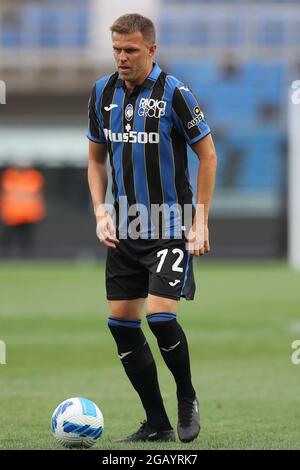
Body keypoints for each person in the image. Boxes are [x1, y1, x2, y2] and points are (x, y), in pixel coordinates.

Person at [87, 13, 217, 443]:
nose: (122, 58)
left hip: (168, 225)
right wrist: (100, 211)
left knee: (161, 317)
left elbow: (208, 155)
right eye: (117, 50)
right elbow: (95, 159)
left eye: (131, 50)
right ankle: (156, 422)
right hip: (124, 228)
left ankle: (187, 396)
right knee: (121, 325)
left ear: (152, 50)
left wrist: (199, 220)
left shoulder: (176, 93)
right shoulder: (102, 93)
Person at [0, 165, 45, 256]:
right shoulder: (9, 175)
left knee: (27, 240)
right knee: (7, 239)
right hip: (12, 214)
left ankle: (26, 259)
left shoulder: (34, 176)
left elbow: (36, 192)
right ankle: (5, 258)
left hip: (29, 215)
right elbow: (8, 190)